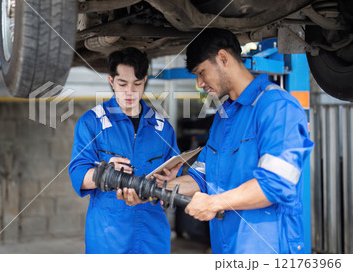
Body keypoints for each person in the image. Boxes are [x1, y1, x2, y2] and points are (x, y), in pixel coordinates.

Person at [164, 28, 314, 254]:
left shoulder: (277, 107)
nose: (199, 84)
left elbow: (275, 184)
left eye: (201, 72)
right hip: (227, 249)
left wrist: (214, 203)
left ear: (223, 58)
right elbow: (203, 178)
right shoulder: (223, 118)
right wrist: (157, 187)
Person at [69, 47, 181, 254]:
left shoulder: (162, 127)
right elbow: (77, 175)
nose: (130, 92)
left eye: (137, 84)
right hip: (107, 236)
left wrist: (171, 180)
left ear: (145, 80)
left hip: (152, 235)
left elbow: (177, 177)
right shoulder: (92, 122)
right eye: (122, 83)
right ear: (111, 81)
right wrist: (105, 173)